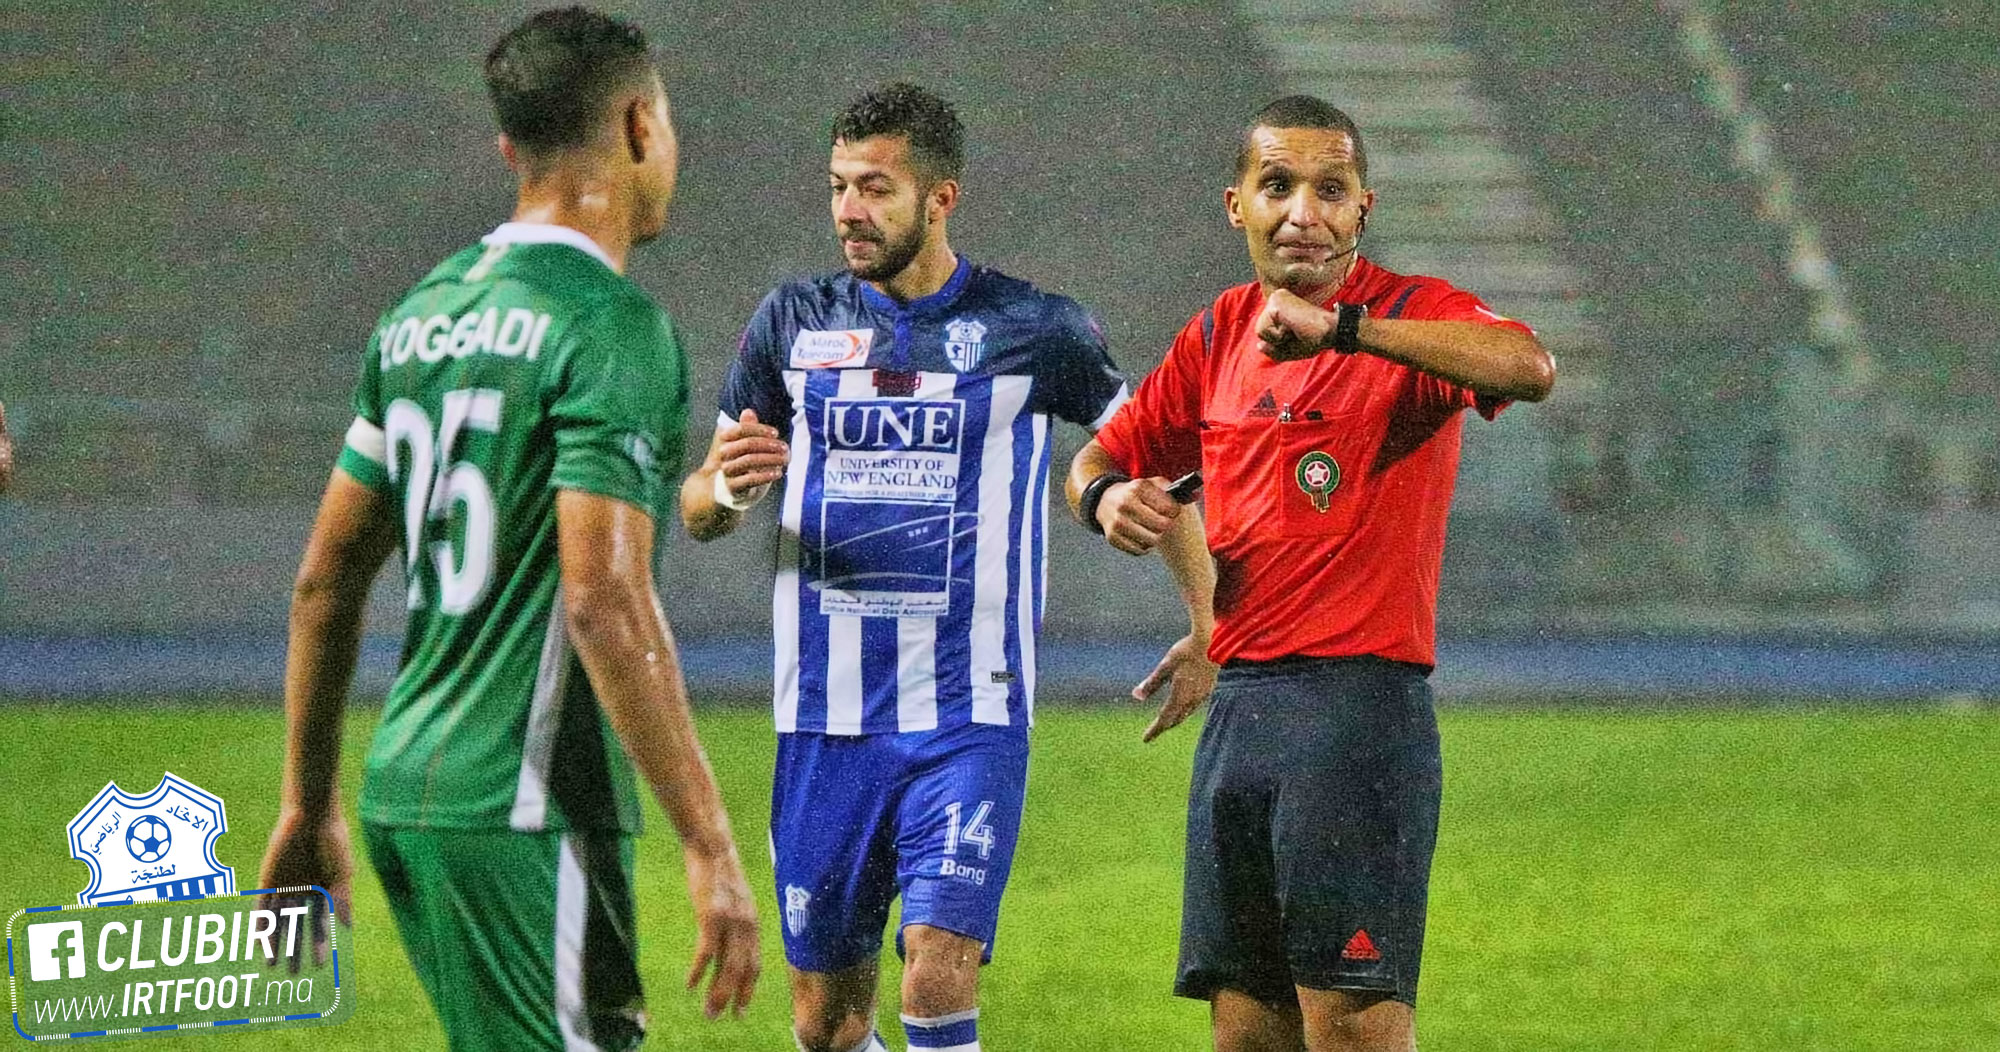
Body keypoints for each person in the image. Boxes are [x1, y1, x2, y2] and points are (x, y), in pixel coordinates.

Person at [257, 9, 759, 1050]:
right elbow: (603, 597)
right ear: (636, 126)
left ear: (507, 148)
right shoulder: (609, 326)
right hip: (522, 800)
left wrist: (309, 805)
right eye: (664, 120)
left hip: (409, 788)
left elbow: (325, 580)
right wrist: (709, 843)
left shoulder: (418, 315)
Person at [1068, 95, 1556, 1052]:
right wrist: (1104, 501)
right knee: (1246, 1031)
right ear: (1236, 205)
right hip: (1242, 716)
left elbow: (1528, 366)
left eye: (1331, 190)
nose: (1304, 212)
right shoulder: (1218, 335)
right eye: (1278, 186)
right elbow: (1100, 460)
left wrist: (1347, 331)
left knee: (1353, 1030)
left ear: (1362, 211)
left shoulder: (1408, 315)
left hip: (1357, 719)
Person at [680, 83, 1128, 1052]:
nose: (848, 208)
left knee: (934, 964)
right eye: (837, 186)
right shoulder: (791, 322)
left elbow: (1145, 442)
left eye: (874, 187)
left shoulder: (1032, 326)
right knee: (827, 1021)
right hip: (825, 718)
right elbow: (699, 506)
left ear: (940, 198)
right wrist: (727, 491)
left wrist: (1194, 601)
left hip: (968, 713)